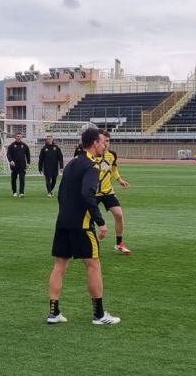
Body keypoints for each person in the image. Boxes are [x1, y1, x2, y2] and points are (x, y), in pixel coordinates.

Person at [47, 127, 120, 325]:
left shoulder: (71, 164)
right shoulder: (92, 166)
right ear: (95, 143)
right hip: (82, 224)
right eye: (102, 142)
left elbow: (61, 194)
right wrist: (100, 221)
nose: (104, 145)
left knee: (59, 265)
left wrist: (66, 213)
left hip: (62, 222)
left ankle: (53, 313)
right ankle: (99, 315)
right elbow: (87, 194)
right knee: (93, 264)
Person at [97, 131, 132, 254]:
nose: (106, 144)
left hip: (108, 191)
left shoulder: (112, 155)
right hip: (93, 193)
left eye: (108, 141)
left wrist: (120, 180)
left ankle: (119, 243)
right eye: (104, 141)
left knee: (119, 215)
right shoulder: (91, 155)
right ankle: (88, 242)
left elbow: (113, 169)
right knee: (86, 218)